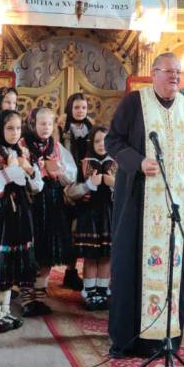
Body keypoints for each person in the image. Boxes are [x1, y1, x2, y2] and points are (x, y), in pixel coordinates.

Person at [105, 52, 184, 359]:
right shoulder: (135, 103)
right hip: (138, 201)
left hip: (177, 201)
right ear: (153, 72)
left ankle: (165, 338)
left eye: (178, 72)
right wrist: (138, 161)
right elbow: (112, 141)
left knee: (174, 271)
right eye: (169, 71)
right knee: (130, 266)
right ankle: (126, 340)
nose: (175, 77)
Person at [0, 109, 41, 333]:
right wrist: (9, 171)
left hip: (21, 212)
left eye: (18, 128)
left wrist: (30, 171)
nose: (15, 133)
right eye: (9, 128)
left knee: (14, 262)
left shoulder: (23, 151)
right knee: (0, 261)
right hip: (1, 213)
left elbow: (37, 186)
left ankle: (6, 310)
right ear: (0, 128)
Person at [21, 107, 78, 316]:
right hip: (30, 203)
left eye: (49, 124)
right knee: (30, 250)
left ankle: (40, 295)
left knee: (49, 251)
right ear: (32, 124)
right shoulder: (23, 146)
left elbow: (71, 175)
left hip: (53, 202)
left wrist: (58, 170)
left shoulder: (56, 147)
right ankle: (27, 297)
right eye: (42, 123)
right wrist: (36, 171)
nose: (46, 128)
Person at [68, 127, 115, 310]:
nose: (102, 144)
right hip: (89, 215)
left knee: (105, 256)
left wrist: (115, 184)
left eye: (105, 140)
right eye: (97, 141)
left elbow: (128, 193)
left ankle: (102, 292)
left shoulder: (116, 163)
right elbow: (72, 192)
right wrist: (88, 184)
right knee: (90, 256)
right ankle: (90, 293)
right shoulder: (84, 164)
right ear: (91, 143)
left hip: (109, 215)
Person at [60, 92, 94, 291]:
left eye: (83, 107)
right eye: (76, 107)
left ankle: (73, 271)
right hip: (68, 182)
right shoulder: (62, 129)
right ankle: (65, 270)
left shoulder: (91, 128)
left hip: (88, 181)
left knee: (81, 231)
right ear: (69, 108)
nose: (80, 111)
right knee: (66, 229)